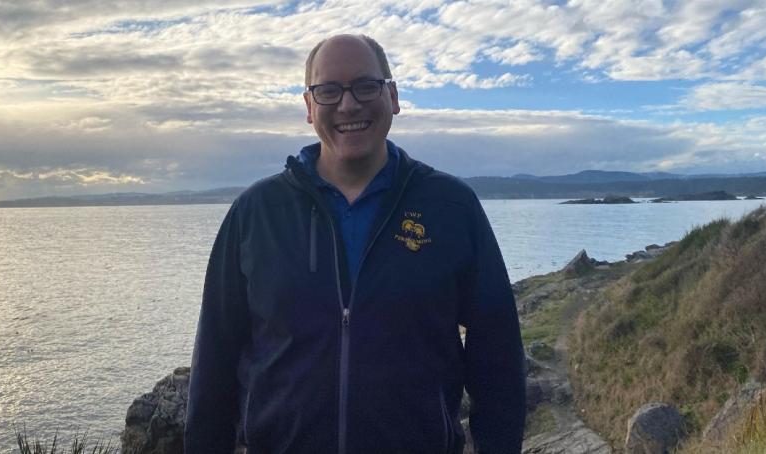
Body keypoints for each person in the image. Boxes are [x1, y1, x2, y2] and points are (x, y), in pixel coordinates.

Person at [185, 34, 526, 454]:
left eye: (366, 85)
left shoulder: (451, 206)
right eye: (328, 90)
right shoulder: (255, 212)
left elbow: (498, 356)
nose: (348, 104)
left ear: (393, 96)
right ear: (309, 108)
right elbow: (214, 363)